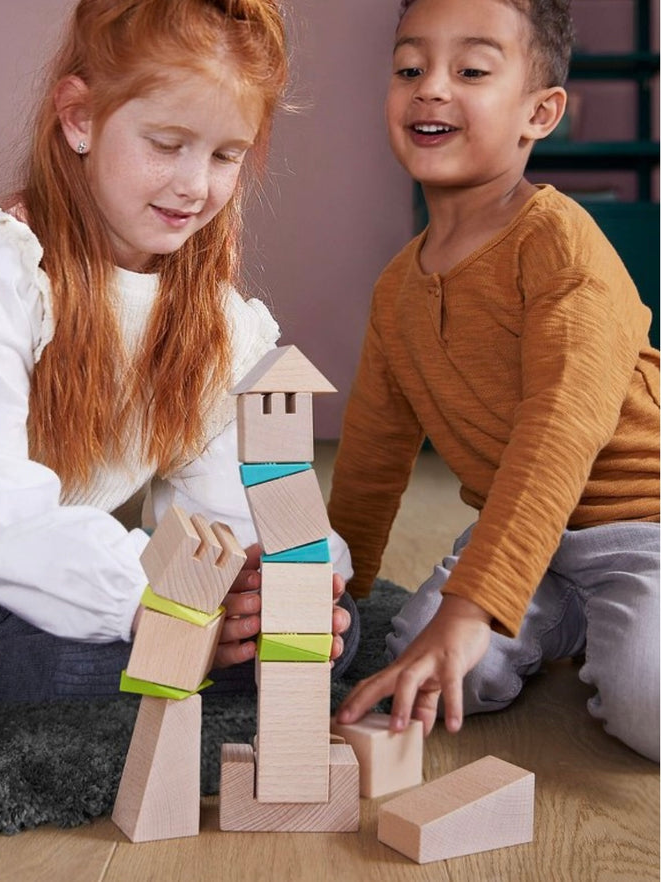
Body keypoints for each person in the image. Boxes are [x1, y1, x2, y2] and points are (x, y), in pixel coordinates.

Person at [0, 0, 359, 769]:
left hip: (52, 565)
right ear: (80, 119)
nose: (193, 185)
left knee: (294, 650)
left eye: (224, 155)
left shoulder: (220, 325)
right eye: (167, 144)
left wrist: (276, 585)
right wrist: (147, 603)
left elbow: (222, 513)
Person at [329, 0, 660, 762]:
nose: (430, 89)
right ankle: (564, 621)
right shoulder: (395, 289)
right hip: (525, 536)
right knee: (420, 660)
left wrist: (476, 604)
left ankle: (588, 625)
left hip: (644, 527)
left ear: (539, 113)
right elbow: (374, 459)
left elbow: (559, 432)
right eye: (409, 69)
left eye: (470, 71)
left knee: (652, 708)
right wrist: (336, 587)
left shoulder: (562, 246)